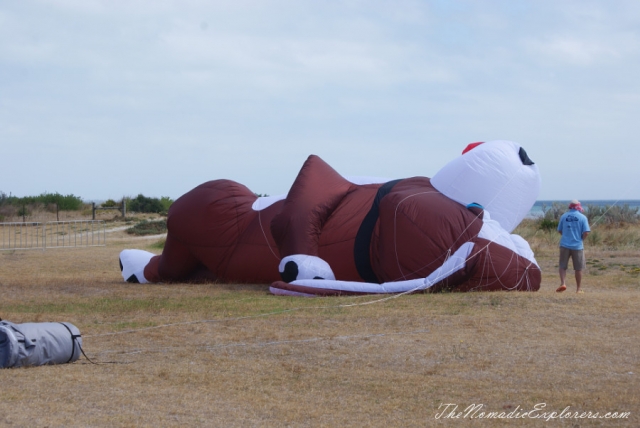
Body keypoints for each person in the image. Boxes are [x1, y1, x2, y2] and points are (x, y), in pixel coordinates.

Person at [556, 200, 590, 293]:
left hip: (564, 245)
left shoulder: (564, 216)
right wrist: (581, 239)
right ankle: (578, 289)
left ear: (570, 206)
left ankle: (563, 283)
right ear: (579, 207)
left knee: (562, 265)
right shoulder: (583, 217)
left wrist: (566, 236)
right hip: (577, 246)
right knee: (578, 268)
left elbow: (559, 230)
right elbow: (586, 232)